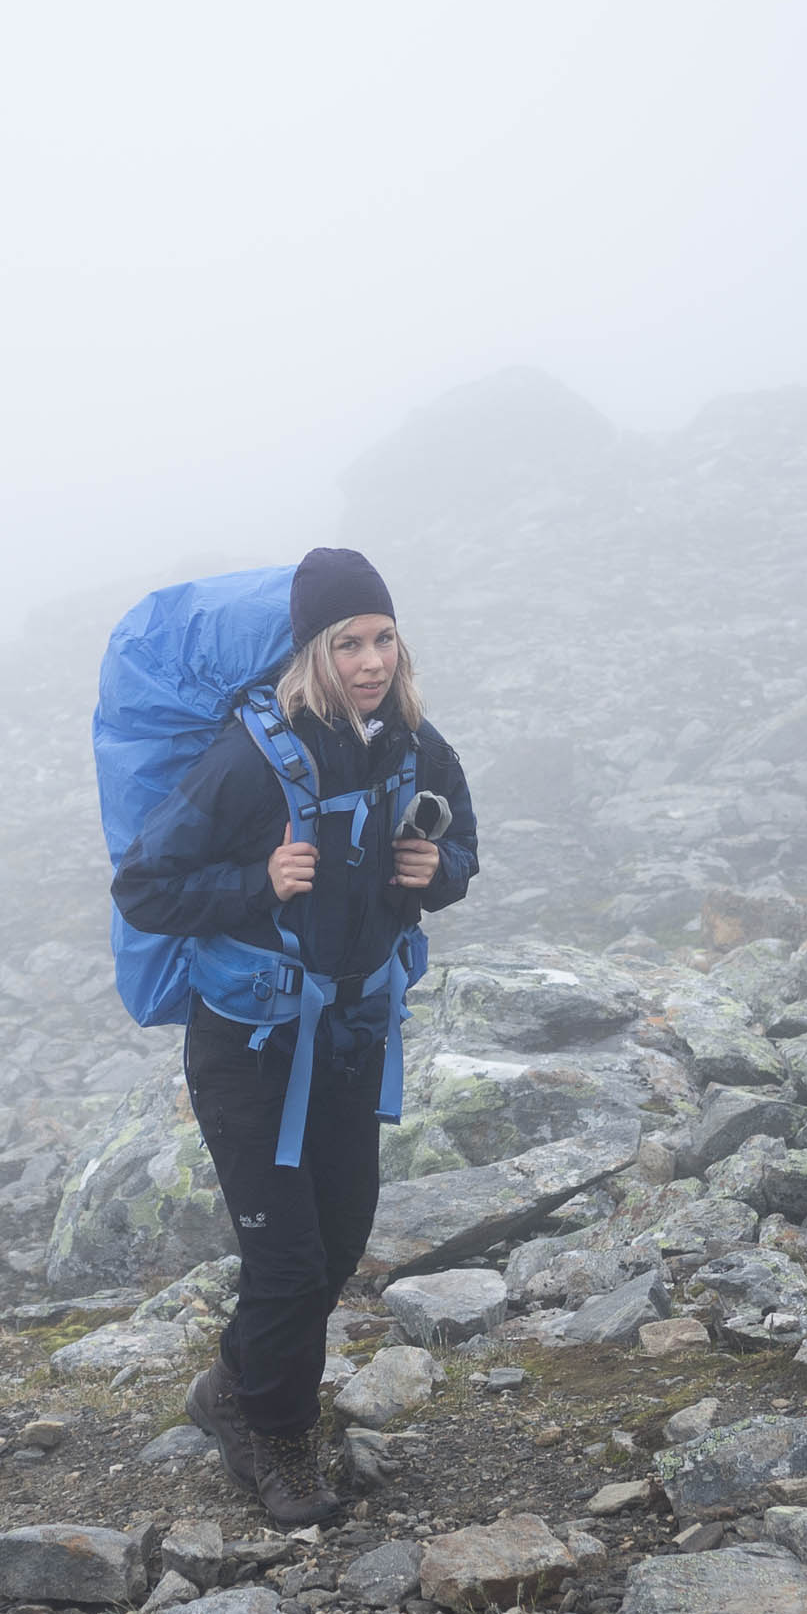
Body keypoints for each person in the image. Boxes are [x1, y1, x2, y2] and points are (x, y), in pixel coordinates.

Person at [113, 547, 479, 1524]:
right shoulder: (247, 760)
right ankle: (275, 1439)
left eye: (383, 638)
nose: (370, 659)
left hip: (352, 1034)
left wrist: (429, 869)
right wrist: (254, 885)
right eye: (347, 641)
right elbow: (144, 887)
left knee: (341, 1239)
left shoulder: (411, 746)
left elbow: (465, 852)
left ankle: (233, 1385)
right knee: (286, 1261)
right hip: (249, 1051)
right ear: (311, 651)